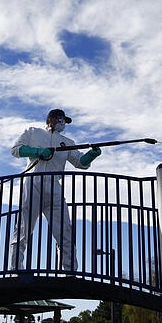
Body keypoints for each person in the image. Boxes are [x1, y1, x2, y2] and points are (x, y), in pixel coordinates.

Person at [10, 109, 101, 271]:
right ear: (50, 120)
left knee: (65, 229)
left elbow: (80, 163)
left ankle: (70, 270)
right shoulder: (33, 132)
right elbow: (16, 150)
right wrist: (37, 151)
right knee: (23, 228)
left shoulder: (68, 142)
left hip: (54, 185)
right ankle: (15, 267)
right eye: (60, 119)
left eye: (64, 121)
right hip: (33, 181)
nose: (62, 123)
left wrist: (92, 154)